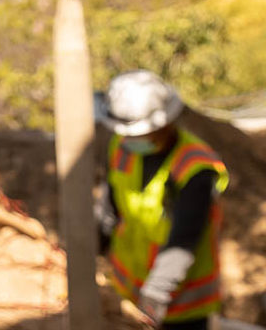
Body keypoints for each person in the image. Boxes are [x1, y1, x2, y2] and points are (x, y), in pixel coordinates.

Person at [95, 70, 229, 330]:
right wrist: (90, 253)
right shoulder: (121, 148)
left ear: (164, 124)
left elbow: (183, 241)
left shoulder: (194, 167)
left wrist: (153, 298)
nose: (128, 140)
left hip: (183, 307)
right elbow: (109, 211)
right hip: (129, 290)